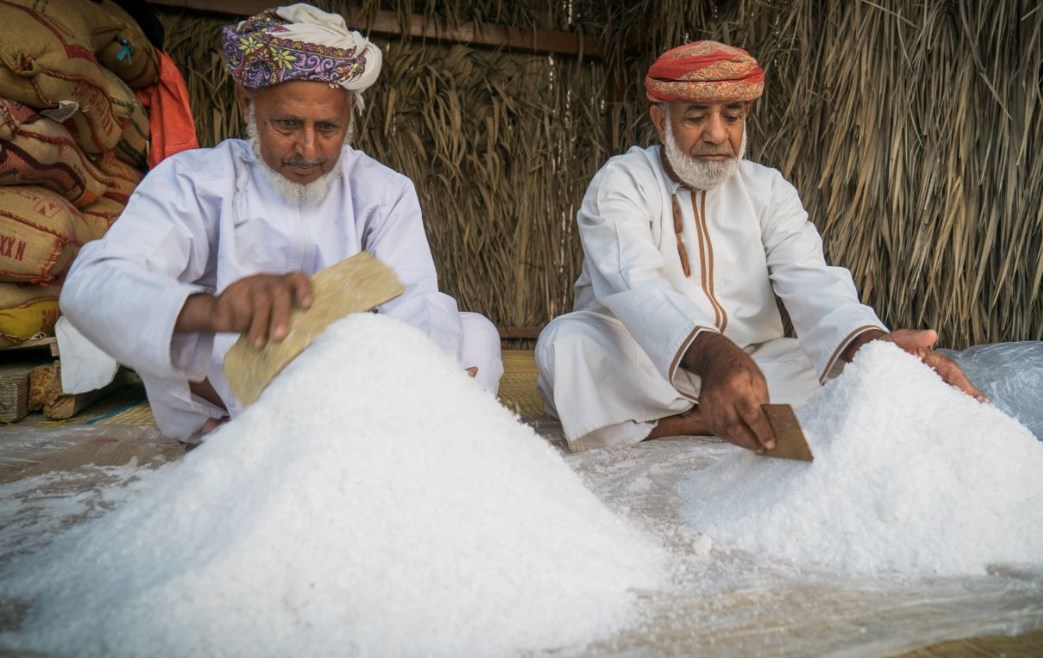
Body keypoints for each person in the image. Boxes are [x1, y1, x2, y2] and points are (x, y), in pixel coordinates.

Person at [60, 4, 503, 441]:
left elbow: (414, 299)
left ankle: (385, 432)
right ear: (246, 101)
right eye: (288, 124)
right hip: (231, 393)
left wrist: (429, 375)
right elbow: (92, 284)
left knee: (475, 334)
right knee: (178, 335)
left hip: (352, 394)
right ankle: (257, 438)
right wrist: (210, 310)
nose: (308, 150)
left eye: (328, 127)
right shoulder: (193, 181)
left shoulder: (383, 192)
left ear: (351, 112)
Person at [536, 41, 983, 453]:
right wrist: (713, 358)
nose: (716, 134)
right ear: (661, 120)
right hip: (645, 364)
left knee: (841, 368)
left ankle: (696, 418)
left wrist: (875, 348)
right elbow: (637, 285)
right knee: (567, 345)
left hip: (751, 368)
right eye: (696, 117)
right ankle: (701, 419)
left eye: (731, 116)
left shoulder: (768, 189)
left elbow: (812, 283)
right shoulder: (623, 182)